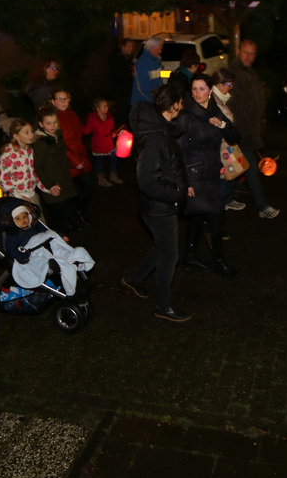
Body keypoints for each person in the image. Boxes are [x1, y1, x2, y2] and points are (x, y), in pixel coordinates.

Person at [122, 82, 191, 322]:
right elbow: (147, 181)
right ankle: (164, 305)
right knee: (169, 256)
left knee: (163, 247)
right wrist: (177, 192)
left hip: (160, 205)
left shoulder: (161, 129)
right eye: (181, 102)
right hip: (160, 208)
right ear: (174, 106)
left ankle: (135, 278)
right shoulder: (155, 138)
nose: (183, 106)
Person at [176, 73, 241, 278]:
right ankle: (219, 261)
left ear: (210, 91)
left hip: (211, 173)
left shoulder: (215, 111)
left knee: (196, 217)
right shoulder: (186, 116)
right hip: (194, 176)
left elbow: (235, 136)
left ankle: (189, 257)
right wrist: (185, 181)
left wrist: (221, 125)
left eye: (202, 89)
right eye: (194, 89)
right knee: (216, 216)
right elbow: (178, 150)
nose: (197, 93)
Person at [228, 40, 279, 218]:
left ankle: (225, 199)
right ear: (238, 51)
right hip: (243, 131)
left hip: (250, 129)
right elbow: (235, 103)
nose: (248, 56)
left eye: (252, 53)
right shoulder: (234, 73)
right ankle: (263, 207)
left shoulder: (249, 72)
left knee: (235, 168)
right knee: (250, 169)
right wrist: (247, 127)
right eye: (245, 52)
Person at [2, 203, 94, 297]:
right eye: (18, 218)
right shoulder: (13, 235)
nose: (23, 220)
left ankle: (75, 257)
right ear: (13, 221)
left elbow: (49, 232)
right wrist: (23, 258)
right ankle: (55, 270)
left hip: (49, 246)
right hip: (35, 252)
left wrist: (60, 236)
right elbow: (12, 250)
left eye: (25, 216)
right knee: (59, 264)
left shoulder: (35, 226)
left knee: (75, 251)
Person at [33, 106, 80, 235]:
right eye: (48, 123)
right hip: (52, 182)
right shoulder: (41, 143)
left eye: (55, 122)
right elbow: (38, 166)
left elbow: (61, 156)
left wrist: (71, 165)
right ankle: (58, 235)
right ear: (41, 124)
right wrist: (49, 185)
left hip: (63, 178)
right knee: (59, 211)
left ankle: (64, 231)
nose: (53, 126)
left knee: (66, 207)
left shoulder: (58, 136)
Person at [52, 89, 95, 225]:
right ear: (53, 101)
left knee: (88, 185)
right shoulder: (53, 118)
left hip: (81, 158)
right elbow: (59, 143)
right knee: (68, 193)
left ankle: (78, 212)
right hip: (67, 161)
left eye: (66, 98)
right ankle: (70, 219)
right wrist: (74, 160)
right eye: (59, 99)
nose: (63, 102)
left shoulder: (72, 114)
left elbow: (80, 133)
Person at [210, 68, 245, 212]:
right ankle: (219, 207)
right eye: (229, 85)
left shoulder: (221, 98)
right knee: (226, 179)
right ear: (220, 84)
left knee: (234, 172)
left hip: (227, 145)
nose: (231, 88)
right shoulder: (214, 101)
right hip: (221, 147)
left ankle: (226, 201)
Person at [0, 118, 42, 204]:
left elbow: (35, 174)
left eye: (31, 131)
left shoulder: (29, 150)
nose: (31, 135)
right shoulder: (9, 154)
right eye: (27, 133)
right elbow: (3, 180)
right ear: (16, 136)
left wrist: (47, 188)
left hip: (31, 194)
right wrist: (19, 196)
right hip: (17, 198)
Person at [83, 97, 121, 187]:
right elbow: (87, 130)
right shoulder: (93, 119)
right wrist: (76, 127)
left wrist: (114, 133)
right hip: (99, 145)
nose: (107, 108)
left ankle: (113, 176)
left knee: (114, 159)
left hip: (109, 144)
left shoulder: (109, 118)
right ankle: (101, 179)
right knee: (100, 162)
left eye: (107, 106)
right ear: (98, 108)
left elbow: (112, 129)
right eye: (104, 106)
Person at [131, 36, 163, 106]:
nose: (160, 51)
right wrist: (155, 101)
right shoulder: (142, 63)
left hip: (152, 102)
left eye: (160, 49)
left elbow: (159, 82)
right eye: (158, 49)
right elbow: (143, 88)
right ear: (150, 48)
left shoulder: (156, 62)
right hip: (143, 103)